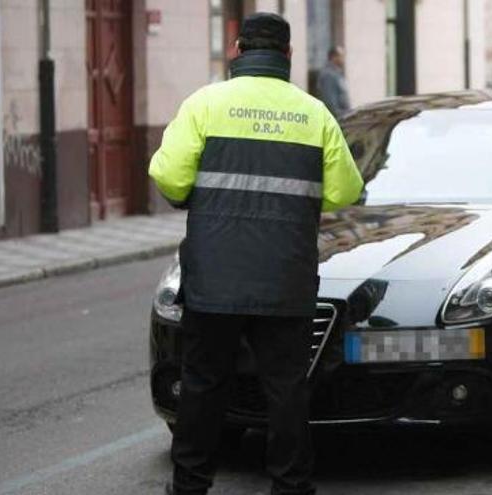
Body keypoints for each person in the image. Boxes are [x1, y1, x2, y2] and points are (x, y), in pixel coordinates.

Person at [148, 12, 364, 495]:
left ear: (237, 49)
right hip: (285, 278)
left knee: (204, 384)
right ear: (287, 56)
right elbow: (346, 190)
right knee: (286, 388)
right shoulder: (314, 113)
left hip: (214, 280)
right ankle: (291, 485)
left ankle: (190, 485)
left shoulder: (205, 105)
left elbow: (170, 176)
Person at [316, 46, 352, 119]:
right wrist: (340, 117)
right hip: (337, 119)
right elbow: (330, 101)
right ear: (334, 57)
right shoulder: (328, 75)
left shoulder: (337, 73)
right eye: (341, 56)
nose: (343, 59)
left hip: (343, 117)